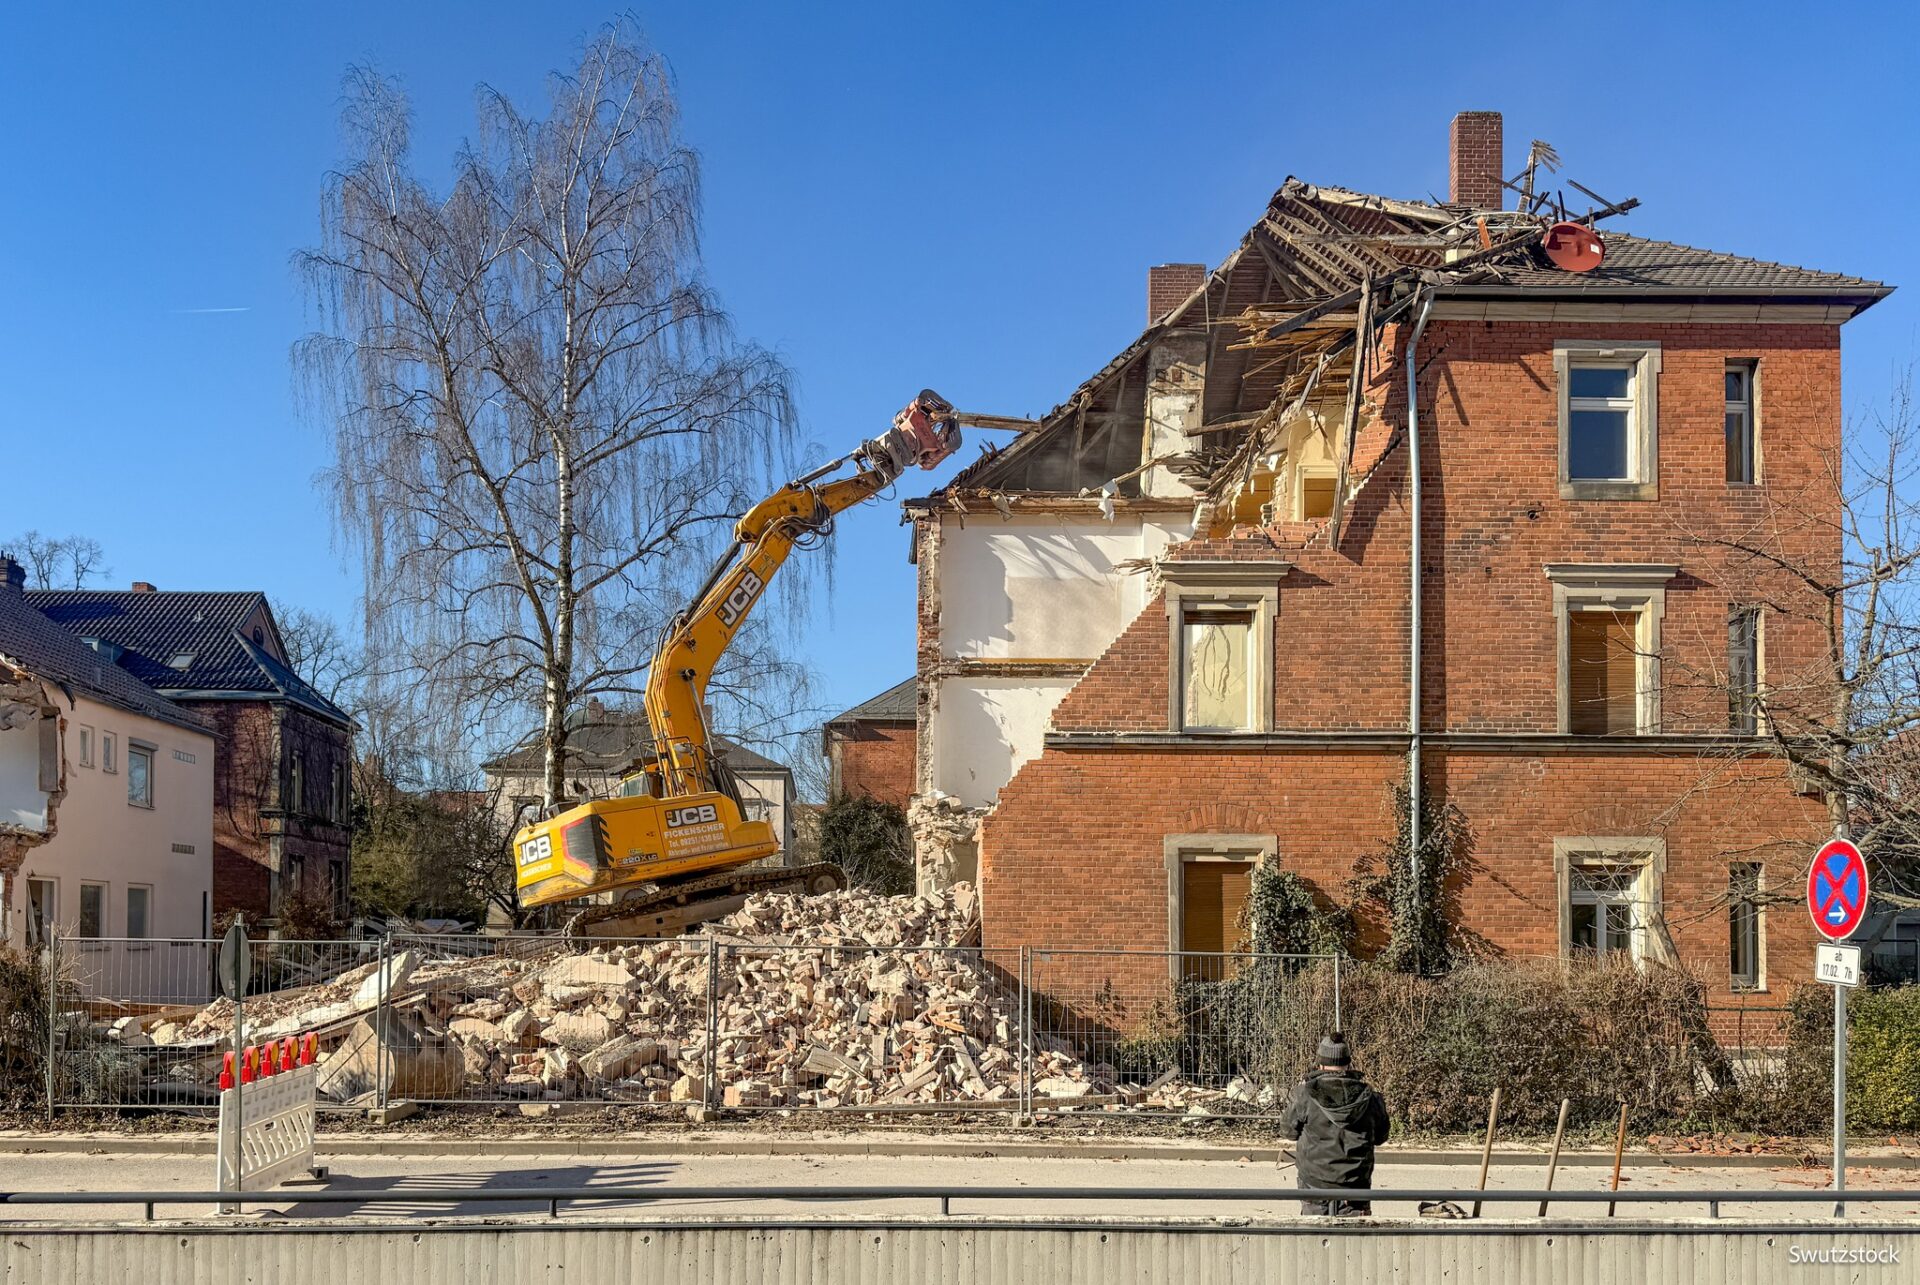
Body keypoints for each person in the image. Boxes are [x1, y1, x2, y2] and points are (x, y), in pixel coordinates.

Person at [1282, 1031, 1391, 1216]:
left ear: (1321, 1063)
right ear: (1348, 1063)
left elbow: (1288, 1131)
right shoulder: (1370, 1097)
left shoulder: (1305, 1094)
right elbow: (1381, 1137)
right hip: (1356, 1183)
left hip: (1314, 1182)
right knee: (1354, 1233)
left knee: (1314, 1230)